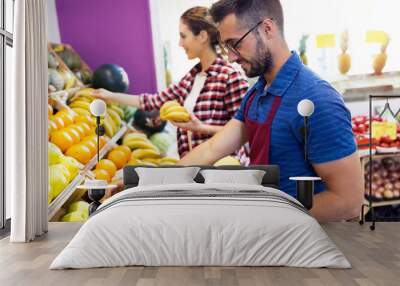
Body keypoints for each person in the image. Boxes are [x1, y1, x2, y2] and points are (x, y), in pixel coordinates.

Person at [178, 0, 364, 222]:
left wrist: (268, 216)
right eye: (226, 47)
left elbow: (348, 203)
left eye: (235, 44)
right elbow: (212, 148)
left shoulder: (317, 100)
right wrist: (152, 180)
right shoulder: (257, 93)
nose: (231, 57)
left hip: (304, 244)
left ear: (267, 29)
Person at [94, 6, 249, 162]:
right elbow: (151, 101)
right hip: (194, 173)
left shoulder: (230, 77)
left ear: (202, 36)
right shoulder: (190, 79)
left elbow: (246, 132)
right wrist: (110, 95)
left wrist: (201, 128)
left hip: (223, 173)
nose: (180, 43)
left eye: (183, 36)